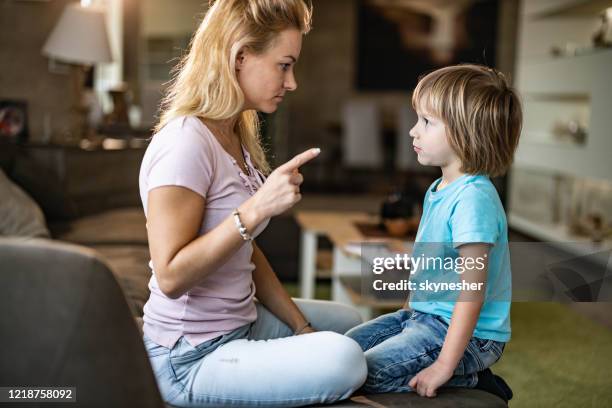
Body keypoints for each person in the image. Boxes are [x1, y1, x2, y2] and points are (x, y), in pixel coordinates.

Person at [138, 1, 367, 406]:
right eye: (284, 65)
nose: (292, 81)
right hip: (189, 356)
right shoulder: (185, 143)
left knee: (350, 323)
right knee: (346, 358)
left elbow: (244, 250)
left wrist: (300, 328)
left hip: (239, 323)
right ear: (240, 55)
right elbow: (171, 276)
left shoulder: (233, 133)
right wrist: (257, 208)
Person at [346, 64, 522, 399]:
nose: (414, 131)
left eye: (426, 122)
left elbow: (473, 292)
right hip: (422, 317)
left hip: (471, 337)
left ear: (467, 132)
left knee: (361, 374)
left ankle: (472, 380)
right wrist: (408, 312)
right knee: (340, 353)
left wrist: (444, 365)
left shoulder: (473, 199)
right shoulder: (439, 188)